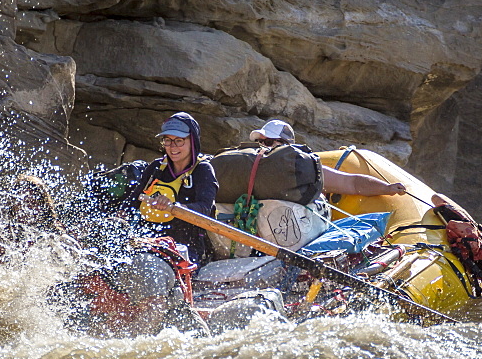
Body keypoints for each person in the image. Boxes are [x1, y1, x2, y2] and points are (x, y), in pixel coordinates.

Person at [131, 112, 219, 266]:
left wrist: (174, 207)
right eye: (167, 140)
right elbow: (133, 201)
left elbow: (205, 208)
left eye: (179, 141)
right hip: (147, 239)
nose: (172, 147)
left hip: (185, 247)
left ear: (192, 141)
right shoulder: (156, 167)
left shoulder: (203, 170)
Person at [249, 119, 407, 197]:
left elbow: (351, 182)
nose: (263, 146)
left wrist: (387, 189)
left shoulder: (303, 167)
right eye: (260, 142)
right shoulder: (246, 164)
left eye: (268, 142)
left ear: (286, 144)